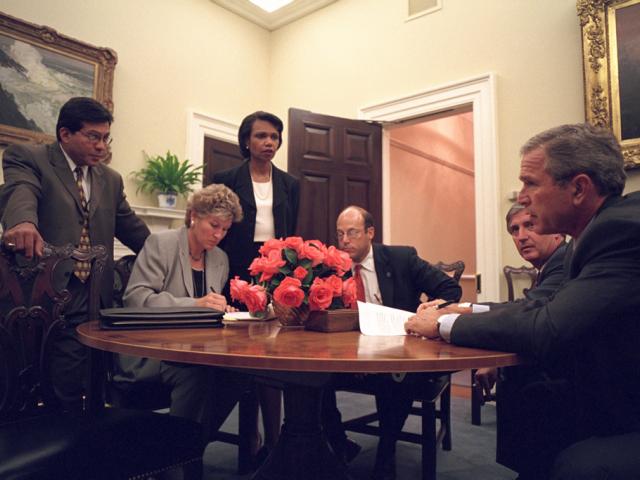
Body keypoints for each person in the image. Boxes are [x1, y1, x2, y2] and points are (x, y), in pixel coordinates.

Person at [406, 123, 640, 480]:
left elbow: (545, 326)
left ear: (578, 188)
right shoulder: (593, 233)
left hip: (625, 401)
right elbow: (542, 307)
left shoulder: (619, 232)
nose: (522, 195)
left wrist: (441, 323)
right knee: (533, 394)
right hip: (613, 385)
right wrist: (461, 312)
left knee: (572, 459)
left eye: (531, 182)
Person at [0, 97, 150, 409]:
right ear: (64, 134)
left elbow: (133, 230)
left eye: (106, 138)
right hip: (42, 292)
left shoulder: (110, 178)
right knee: (33, 380)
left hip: (94, 293)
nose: (102, 146)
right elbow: (21, 191)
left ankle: (76, 433)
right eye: (93, 137)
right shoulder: (29, 157)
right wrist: (23, 222)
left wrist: (173, 253)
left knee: (81, 378)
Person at [324, 205, 462, 480]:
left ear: (370, 233)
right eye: (340, 234)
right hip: (350, 351)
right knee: (310, 376)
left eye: (352, 233)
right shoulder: (332, 266)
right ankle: (339, 443)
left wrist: (425, 313)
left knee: (397, 380)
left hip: (398, 351)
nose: (345, 241)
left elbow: (450, 289)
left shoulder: (401, 258)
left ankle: (386, 453)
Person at [115, 184, 247, 440]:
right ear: (194, 216)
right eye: (214, 225)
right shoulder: (160, 243)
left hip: (199, 351)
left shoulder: (220, 258)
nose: (219, 235)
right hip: (151, 353)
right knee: (197, 373)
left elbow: (208, 311)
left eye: (226, 229)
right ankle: (178, 451)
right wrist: (195, 304)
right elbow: (137, 300)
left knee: (241, 374)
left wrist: (222, 310)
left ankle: (186, 445)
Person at [213, 111, 300, 462]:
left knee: (271, 352)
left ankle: (273, 440)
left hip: (273, 269)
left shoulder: (290, 183)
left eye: (275, 137)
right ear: (246, 140)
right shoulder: (225, 178)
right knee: (240, 353)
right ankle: (248, 435)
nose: (269, 143)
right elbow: (218, 227)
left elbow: (291, 231)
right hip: (233, 268)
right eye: (262, 136)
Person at [473, 202, 567, 396]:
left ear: (557, 232)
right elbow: (523, 310)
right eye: (514, 230)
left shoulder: (563, 262)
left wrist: (461, 312)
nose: (521, 237)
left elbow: (526, 314)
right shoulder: (549, 265)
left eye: (530, 225)